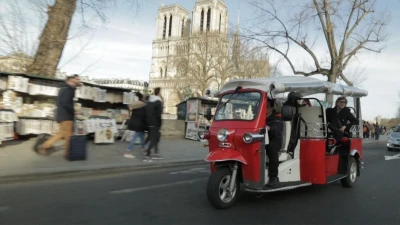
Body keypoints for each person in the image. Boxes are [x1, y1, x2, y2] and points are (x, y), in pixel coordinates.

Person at [39, 74, 81, 158]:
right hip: (66, 116)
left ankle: (45, 146)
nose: (78, 81)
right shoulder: (68, 90)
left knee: (62, 133)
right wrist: (73, 111)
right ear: (71, 80)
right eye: (77, 79)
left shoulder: (65, 88)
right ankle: (67, 152)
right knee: (68, 134)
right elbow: (65, 103)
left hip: (63, 115)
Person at [265, 98, 283, 188]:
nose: (264, 108)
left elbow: (276, 128)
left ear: (272, 108)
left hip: (273, 141)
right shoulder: (257, 117)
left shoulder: (276, 118)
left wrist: (269, 128)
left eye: (266, 106)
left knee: (272, 148)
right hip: (260, 141)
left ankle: (273, 177)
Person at [124, 92, 147, 159]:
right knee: (135, 138)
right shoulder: (142, 105)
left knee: (142, 137)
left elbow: (132, 113)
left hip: (135, 123)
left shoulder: (135, 105)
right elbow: (143, 115)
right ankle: (128, 152)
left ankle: (144, 149)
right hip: (139, 124)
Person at [143, 87, 163, 162]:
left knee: (152, 138)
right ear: (159, 92)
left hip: (148, 122)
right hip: (155, 123)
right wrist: (159, 123)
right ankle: (147, 155)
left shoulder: (149, 101)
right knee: (154, 139)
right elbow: (159, 114)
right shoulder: (158, 102)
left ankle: (154, 153)